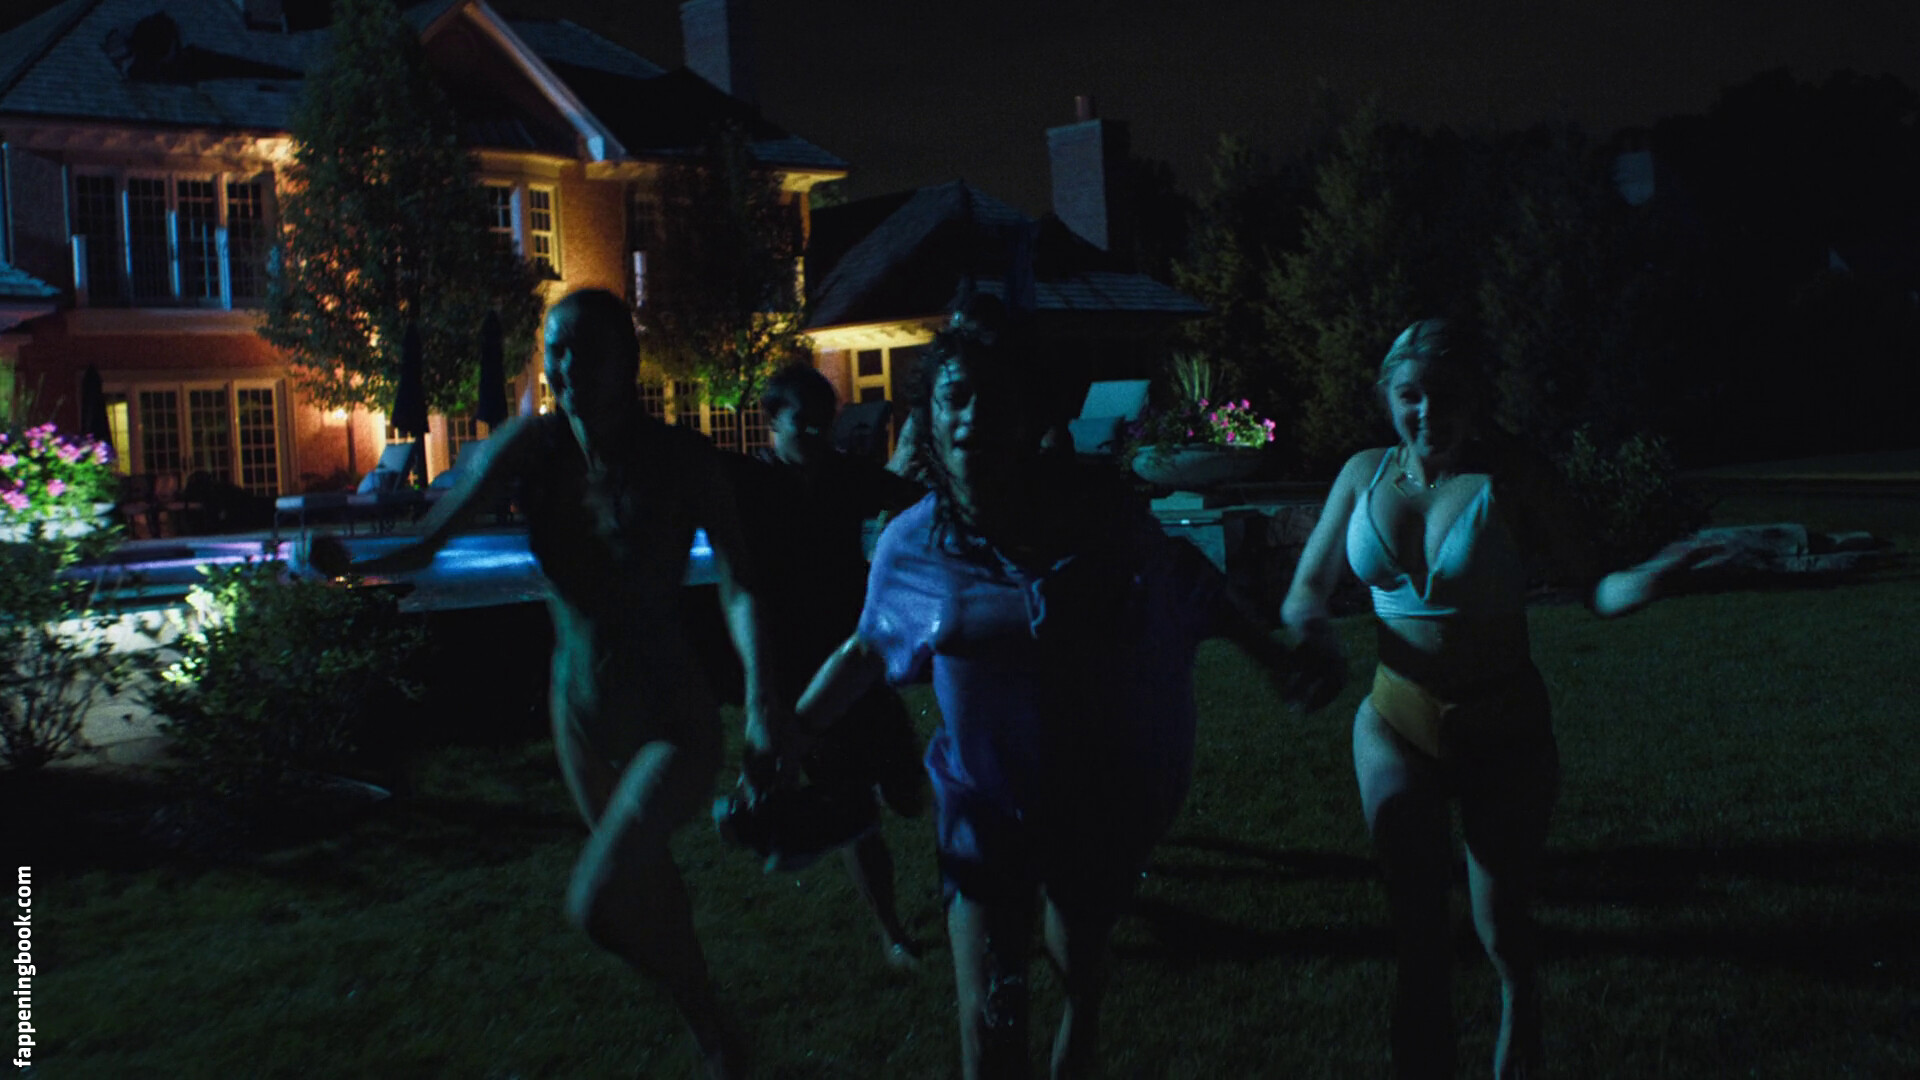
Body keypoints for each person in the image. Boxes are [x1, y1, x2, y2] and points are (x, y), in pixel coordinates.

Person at [790, 296, 1312, 1079]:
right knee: (990, 1026)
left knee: (1080, 964)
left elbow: (1187, 579)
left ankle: (1084, 1023)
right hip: (982, 805)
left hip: (1094, 795)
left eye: (994, 399)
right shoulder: (915, 545)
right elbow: (868, 648)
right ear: (930, 417)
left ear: (1029, 415)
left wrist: (1270, 657)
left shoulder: (1099, 521)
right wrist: (790, 735)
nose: (972, 417)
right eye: (955, 398)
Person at [303, 288, 784, 1079]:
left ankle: (715, 1025)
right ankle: (717, 1042)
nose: (565, 366)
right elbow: (433, 540)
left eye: (585, 350)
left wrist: (760, 698)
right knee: (647, 888)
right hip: (580, 715)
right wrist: (353, 566)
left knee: (597, 904)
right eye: (555, 350)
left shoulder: (682, 461)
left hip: (669, 716)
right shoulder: (531, 449)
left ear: (627, 362)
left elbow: (739, 580)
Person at [1279, 318, 1716, 1079]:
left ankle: (1521, 1017)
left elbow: (1595, 588)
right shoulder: (1362, 474)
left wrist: (1661, 571)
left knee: (1502, 931)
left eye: (1446, 396)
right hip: (1394, 722)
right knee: (1417, 937)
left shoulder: (1517, 477)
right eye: (1411, 395)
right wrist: (1314, 632)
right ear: (1388, 397)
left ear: (1476, 398)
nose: (1427, 413)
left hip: (1503, 731)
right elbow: (1305, 590)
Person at [717, 362, 928, 966]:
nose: (816, 437)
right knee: (855, 804)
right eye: (803, 426)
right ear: (771, 421)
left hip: (858, 657)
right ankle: (892, 932)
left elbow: (911, 500)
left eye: (824, 425)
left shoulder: (842, 475)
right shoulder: (748, 485)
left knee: (909, 794)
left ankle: (774, 817)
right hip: (797, 669)